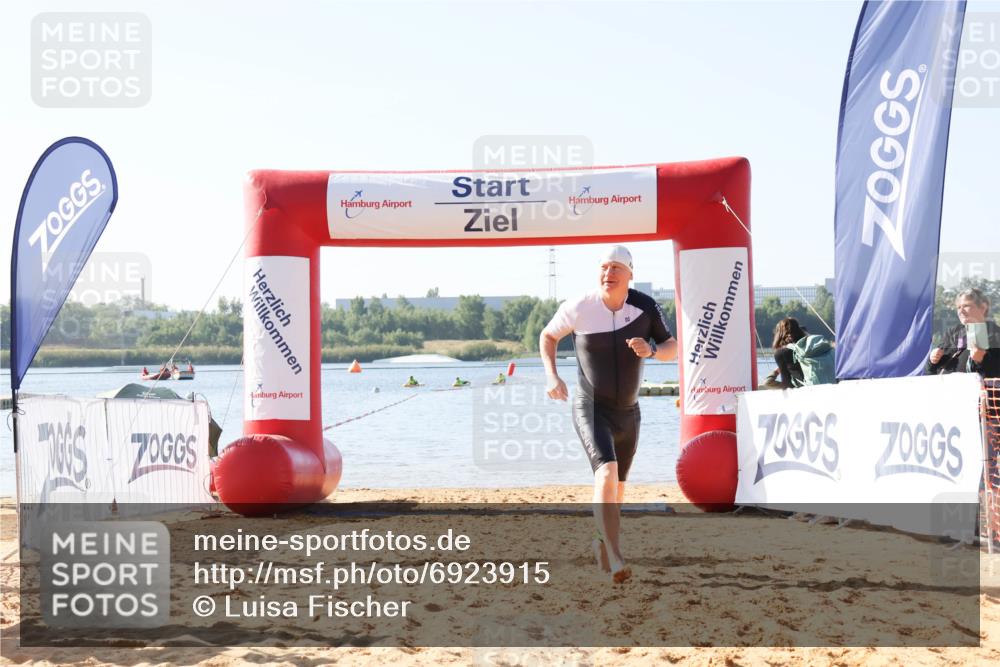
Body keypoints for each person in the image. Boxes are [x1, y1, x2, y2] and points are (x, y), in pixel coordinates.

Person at [540, 245, 677, 584]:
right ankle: (616, 557)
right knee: (606, 474)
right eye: (603, 267)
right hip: (591, 406)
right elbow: (548, 336)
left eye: (616, 267)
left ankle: (602, 541)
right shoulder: (580, 307)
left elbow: (673, 347)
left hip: (629, 412)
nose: (608, 273)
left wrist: (653, 349)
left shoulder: (644, 307)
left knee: (618, 491)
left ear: (630, 274)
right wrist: (552, 376)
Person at [927, 288, 1000, 378]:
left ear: (983, 307)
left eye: (966, 306)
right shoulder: (953, 332)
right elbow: (930, 371)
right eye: (958, 307)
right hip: (945, 389)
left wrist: (982, 360)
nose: (961, 311)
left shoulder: (996, 334)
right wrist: (932, 360)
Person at [767, 318, 806, 388]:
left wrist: (777, 371)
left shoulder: (782, 353)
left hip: (801, 391)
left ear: (780, 334)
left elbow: (786, 382)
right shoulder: (807, 347)